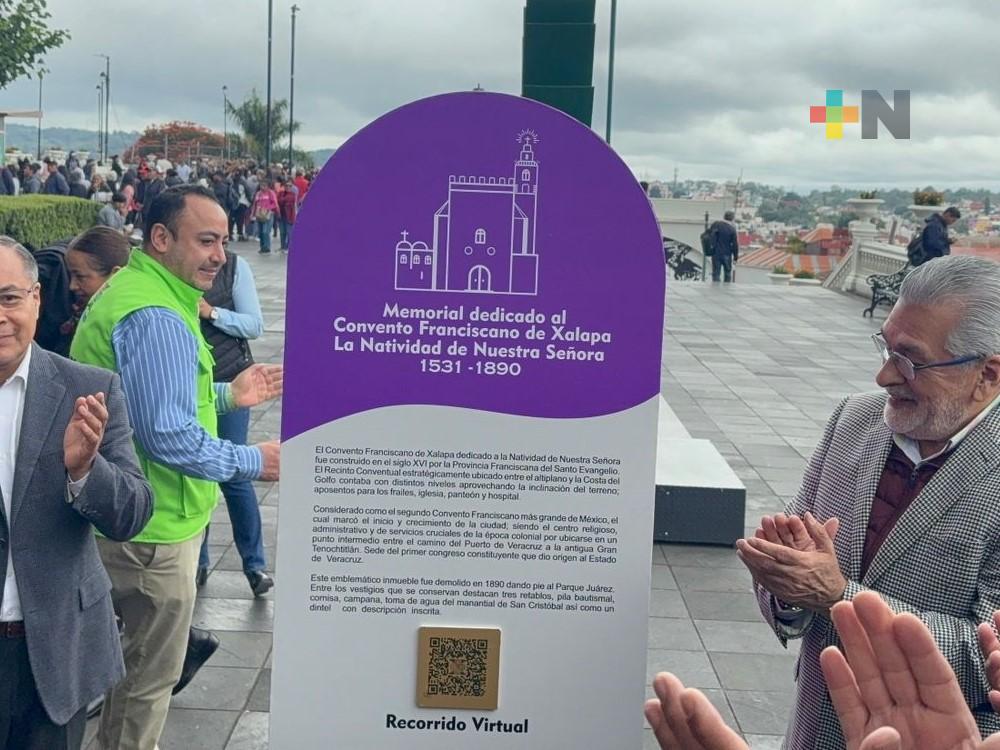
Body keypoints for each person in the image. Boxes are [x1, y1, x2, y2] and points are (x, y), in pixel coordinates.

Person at [739, 254, 1000, 748]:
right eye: (885, 348)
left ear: (987, 374)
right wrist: (786, 585)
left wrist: (841, 598)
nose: (884, 377)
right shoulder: (854, 420)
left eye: (909, 360)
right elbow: (798, 580)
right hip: (814, 729)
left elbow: (988, 656)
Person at [71, 184, 282, 750]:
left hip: (132, 517)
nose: (220, 254)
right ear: (161, 238)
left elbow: (145, 401)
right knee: (147, 681)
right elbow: (165, 434)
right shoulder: (157, 313)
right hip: (152, 530)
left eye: (223, 240)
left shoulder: (140, 289)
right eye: (206, 240)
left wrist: (228, 396)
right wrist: (251, 460)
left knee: (128, 673)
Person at [0, 235, 153, 750]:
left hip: (54, 655)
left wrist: (86, 470)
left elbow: (133, 512)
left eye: (9, 298)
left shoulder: (87, 388)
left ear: (36, 299)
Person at [646, 591, 1000, 750]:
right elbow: (783, 545)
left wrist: (837, 592)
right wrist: (790, 586)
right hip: (812, 722)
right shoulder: (848, 434)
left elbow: (987, 644)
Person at [197, 247, 273, 594]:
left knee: (234, 473)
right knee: (194, 470)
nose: (212, 249)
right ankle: (196, 563)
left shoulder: (234, 267)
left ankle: (254, 566)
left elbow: (254, 324)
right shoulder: (165, 270)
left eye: (218, 238)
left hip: (231, 382)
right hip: (191, 384)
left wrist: (212, 313)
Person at [249, 178, 278, 254]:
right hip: (259, 214)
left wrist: (267, 208)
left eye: (264, 186)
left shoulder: (271, 193)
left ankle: (267, 247)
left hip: (268, 214)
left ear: (268, 186)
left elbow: (274, 203)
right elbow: (254, 204)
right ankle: (262, 247)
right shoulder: (258, 193)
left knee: (266, 231)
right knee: (260, 232)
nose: (263, 187)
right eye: (261, 185)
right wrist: (252, 214)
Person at [708, 211, 739, 283]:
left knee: (716, 273)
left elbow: (709, 234)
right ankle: (726, 288)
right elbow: (735, 245)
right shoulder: (732, 229)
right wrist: (735, 257)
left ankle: (716, 288)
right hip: (727, 253)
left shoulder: (716, 224)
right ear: (732, 218)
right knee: (727, 273)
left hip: (716, 253)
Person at [276, 176, 297, 251]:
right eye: (286, 185)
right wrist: (282, 200)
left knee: (289, 233)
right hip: (281, 215)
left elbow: (286, 200)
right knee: (282, 232)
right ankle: (283, 246)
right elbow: (278, 200)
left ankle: (289, 247)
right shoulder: (281, 193)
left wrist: (282, 200)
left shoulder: (292, 194)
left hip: (289, 216)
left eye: (290, 186)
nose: (288, 187)